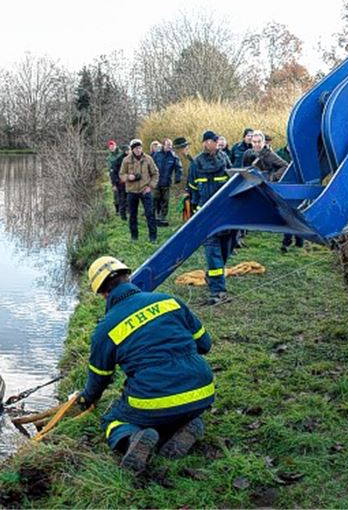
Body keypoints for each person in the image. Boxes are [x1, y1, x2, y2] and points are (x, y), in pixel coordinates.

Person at [77, 256, 214, 473]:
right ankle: (186, 424)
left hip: (152, 399)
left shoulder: (105, 330)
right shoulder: (170, 301)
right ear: (128, 277)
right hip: (203, 391)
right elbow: (205, 345)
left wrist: (85, 399)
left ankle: (132, 437)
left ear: (103, 294)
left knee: (111, 420)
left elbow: (99, 378)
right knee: (173, 409)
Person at [187, 130, 235, 305]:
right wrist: (193, 210)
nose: (218, 143)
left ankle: (212, 277)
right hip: (206, 215)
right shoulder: (196, 164)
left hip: (225, 214)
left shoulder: (224, 160)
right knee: (213, 252)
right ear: (206, 143)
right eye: (215, 141)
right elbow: (191, 187)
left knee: (226, 248)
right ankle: (218, 290)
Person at [244, 132, 303, 252]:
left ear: (263, 142)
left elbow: (285, 166)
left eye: (259, 142)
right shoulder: (248, 153)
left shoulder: (269, 154)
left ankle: (291, 242)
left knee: (288, 213)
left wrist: (271, 177)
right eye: (254, 142)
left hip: (273, 188)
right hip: (257, 186)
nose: (256, 144)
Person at [120, 139, 159, 242]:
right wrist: (129, 177)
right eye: (136, 148)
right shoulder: (126, 160)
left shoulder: (148, 159)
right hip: (131, 192)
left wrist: (150, 186)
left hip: (145, 190)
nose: (138, 150)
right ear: (132, 149)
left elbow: (155, 173)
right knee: (132, 215)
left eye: (140, 147)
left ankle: (153, 237)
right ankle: (134, 237)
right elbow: (121, 175)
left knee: (150, 214)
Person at [151, 138, 183, 226]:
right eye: (168, 145)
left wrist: (178, 177)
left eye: (171, 145)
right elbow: (150, 166)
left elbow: (179, 168)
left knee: (165, 200)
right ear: (163, 145)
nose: (170, 147)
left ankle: (163, 217)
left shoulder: (173, 156)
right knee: (155, 199)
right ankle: (155, 216)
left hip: (166, 182)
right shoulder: (156, 154)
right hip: (156, 181)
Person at [106, 140, 126, 217]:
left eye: (113, 145)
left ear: (115, 145)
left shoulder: (121, 154)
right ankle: (117, 210)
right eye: (110, 146)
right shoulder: (109, 157)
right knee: (116, 194)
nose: (112, 147)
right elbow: (110, 169)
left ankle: (125, 210)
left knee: (124, 194)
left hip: (123, 175)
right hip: (114, 176)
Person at [110, 144, 130, 220]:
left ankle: (130, 213)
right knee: (122, 199)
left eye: (129, 150)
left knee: (129, 199)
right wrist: (114, 183)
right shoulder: (118, 160)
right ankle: (123, 215)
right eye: (127, 150)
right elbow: (113, 173)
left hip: (130, 182)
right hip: (121, 182)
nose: (128, 152)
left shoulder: (132, 159)